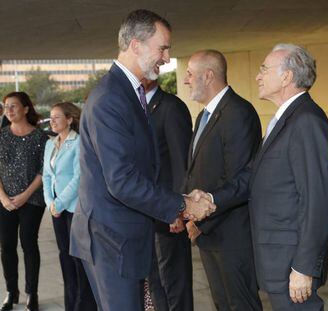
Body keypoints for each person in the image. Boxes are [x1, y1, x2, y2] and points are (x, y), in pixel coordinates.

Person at [69, 9, 215, 311]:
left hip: (126, 236)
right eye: (162, 48)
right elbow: (121, 180)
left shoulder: (129, 93)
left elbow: (146, 168)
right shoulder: (110, 99)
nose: (166, 57)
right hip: (111, 242)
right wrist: (184, 204)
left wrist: (174, 204)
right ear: (136, 45)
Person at [191, 43, 328, 310]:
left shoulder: (306, 121)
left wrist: (304, 267)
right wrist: (211, 197)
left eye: (264, 69)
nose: (258, 76)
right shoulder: (285, 119)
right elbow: (251, 176)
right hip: (276, 258)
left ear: (286, 77)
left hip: (292, 261)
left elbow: (319, 200)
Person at [183, 50, 263, 311]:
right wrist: (189, 213)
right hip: (209, 231)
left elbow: (240, 179)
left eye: (190, 75)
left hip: (232, 236)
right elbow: (196, 171)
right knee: (222, 304)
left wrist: (200, 220)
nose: (186, 81)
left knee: (241, 305)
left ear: (208, 76)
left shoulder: (238, 112)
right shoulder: (204, 115)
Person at [142, 79, 194, 311]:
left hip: (168, 214)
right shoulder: (136, 107)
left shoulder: (171, 107)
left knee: (173, 283)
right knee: (155, 282)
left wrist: (177, 210)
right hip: (146, 210)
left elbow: (181, 163)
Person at [42, 102, 96, 311]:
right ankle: (70, 305)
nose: (52, 121)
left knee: (78, 259)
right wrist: (50, 204)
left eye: (56, 117)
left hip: (74, 209)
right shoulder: (50, 144)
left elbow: (79, 177)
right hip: (57, 210)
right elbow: (47, 175)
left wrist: (60, 202)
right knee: (64, 256)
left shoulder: (79, 142)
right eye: (50, 117)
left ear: (69, 119)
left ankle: (84, 306)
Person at [0, 92, 48, 311]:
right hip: (4, 201)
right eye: (6, 107)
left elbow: (43, 170)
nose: (9, 110)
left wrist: (25, 195)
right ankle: (11, 292)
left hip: (32, 199)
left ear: (26, 109)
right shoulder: (1, 136)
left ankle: (32, 293)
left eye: (13, 106)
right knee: (7, 246)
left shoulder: (40, 137)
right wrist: (3, 197)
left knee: (29, 243)